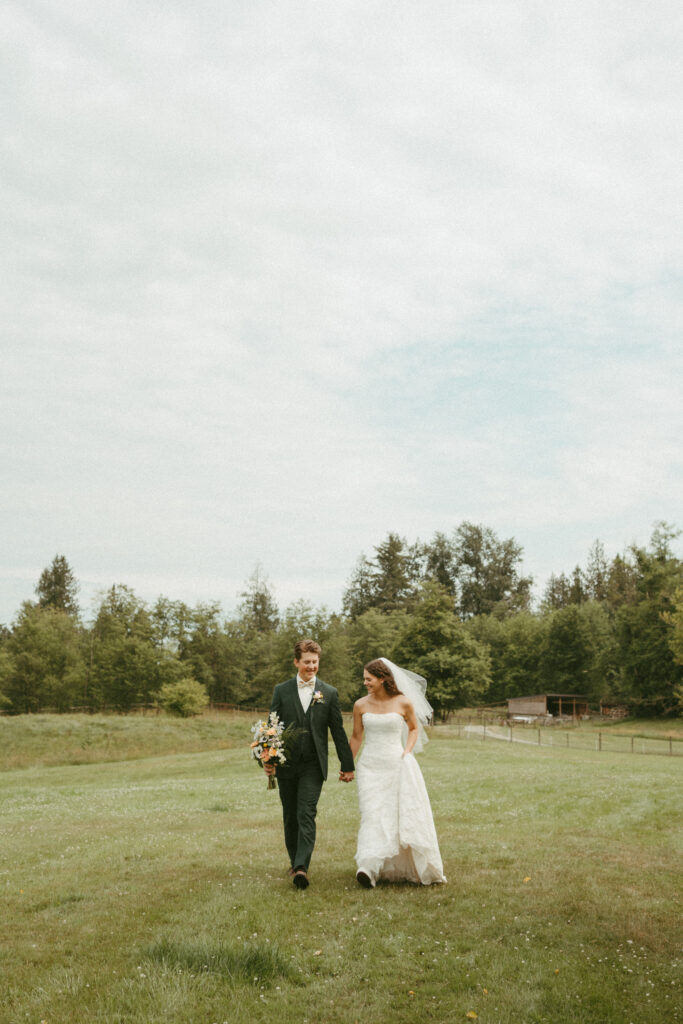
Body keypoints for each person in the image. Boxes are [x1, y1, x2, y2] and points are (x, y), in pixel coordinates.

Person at [265, 638, 355, 890]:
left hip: (314, 766)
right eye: (307, 662)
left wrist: (347, 765)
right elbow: (271, 728)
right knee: (290, 815)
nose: (311, 666)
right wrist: (267, 760)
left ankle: (302, 867)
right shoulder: (281, 691)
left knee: (306, 812)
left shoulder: (329, 692)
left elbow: (337, 732)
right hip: (286, 764)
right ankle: (295, 862)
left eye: (315, 662)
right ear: (296, 662)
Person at [349, 657, 446, 888]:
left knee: (392, 815)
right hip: (369, 766)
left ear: (382, 679)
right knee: (372, 813)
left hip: (395, 764)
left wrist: (407, 752)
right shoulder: (360, 705)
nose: (365, 683)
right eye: (364, 679)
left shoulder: (403, 702)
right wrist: (347, 765)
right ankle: (368, 867)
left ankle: (378, 866)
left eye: (369, 679)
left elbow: (413, 729)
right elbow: (356, 737)